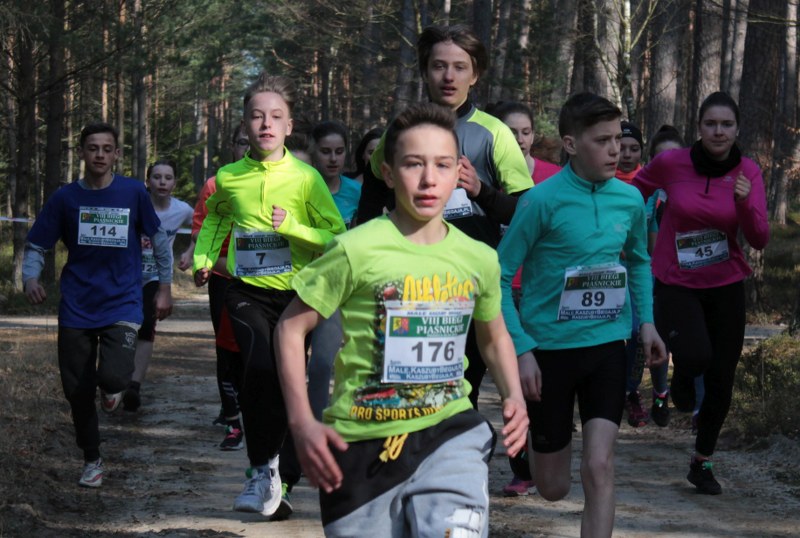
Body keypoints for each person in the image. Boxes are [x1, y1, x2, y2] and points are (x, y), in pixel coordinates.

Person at [274, 102, 528, 537]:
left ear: (458, 173)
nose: (429, 179)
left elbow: (493, 336)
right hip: (361, 445)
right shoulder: (355, 248)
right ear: (389, 175)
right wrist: (301, 421)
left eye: (442, 165)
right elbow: (290, 327)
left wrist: (514, 396)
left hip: (450, 434)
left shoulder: (479, 257)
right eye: (414, 164)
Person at [498, 93, 667, 538]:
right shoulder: (540, 202)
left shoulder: (628, 200)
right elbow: (498, 277)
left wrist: (646, 322)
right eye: (602, 141)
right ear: (571, 144)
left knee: (599, 465)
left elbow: (639, 261)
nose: (616, 150)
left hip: (608, 346)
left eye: (618, 140)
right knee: (553, 488)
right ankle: (537, 445)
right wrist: (522, 349)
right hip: (548, 353)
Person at [193, 72, 346, 518]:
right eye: (257, 116)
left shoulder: (306, 178)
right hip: (245, 291)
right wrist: (204, 258)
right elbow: (216, 219)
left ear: (289, 126)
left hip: (297, 298)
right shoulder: (229, 177)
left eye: (276, 116)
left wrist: (292, 227)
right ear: (244, 124)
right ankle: (262, 472)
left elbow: (335, 235)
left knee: (286, 379)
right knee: (259, 367)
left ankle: (279, 471)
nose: (266, 124)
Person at [357, 24, 532, 411]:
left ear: (475, 74)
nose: (448, 76)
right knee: (413, 383)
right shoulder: (401, 130)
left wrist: (481, 191)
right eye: (439, 66)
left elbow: (526, 211)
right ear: (425, 71)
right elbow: (372, 193)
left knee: (462, 389)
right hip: (409, 276)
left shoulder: (493, 133)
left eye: (459, 67)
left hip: (469, 276)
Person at [22, 122, 173, 488]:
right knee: (77, 390)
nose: (100, 155)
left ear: (117, 154)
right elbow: (38, 244)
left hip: (123, 301)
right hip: (77, 305)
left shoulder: (133, 192)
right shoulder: (65, 198)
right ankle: (92, 460)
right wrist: (30, 278)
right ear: (82, 153)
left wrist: (165, 288)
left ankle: (112, 389)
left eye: (107, 149)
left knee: (114, 378)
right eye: (93, 148)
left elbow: (158, 239)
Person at [633, 92, 769, 495]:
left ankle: (702, 461)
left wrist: (743, 203)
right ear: (699, 127)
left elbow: (759, 238)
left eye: (726, 124)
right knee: (695, 355)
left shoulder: (748, 171)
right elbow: (633, 192)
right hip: (676, 280)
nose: (718, 132)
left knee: (722, 378)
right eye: (711, 124)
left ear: (737, 129)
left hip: (725, 283)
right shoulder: (672, 163)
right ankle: (683, 376)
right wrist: (620, 229)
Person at [277, 120, 362, 503]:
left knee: (322, 366)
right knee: (287, 367)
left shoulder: (358, 192)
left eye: (339, 151)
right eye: (325, 151)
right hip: (293, 287)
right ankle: (285, 452)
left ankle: (311, 444)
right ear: (313, 152)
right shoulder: (301, 187)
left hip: (337, 292)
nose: (332, 158)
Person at [488, 100, 562, 497]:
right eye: (509, 132)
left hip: (540, 290)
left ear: (534, 135)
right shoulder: (482, 176)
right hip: (497, 289)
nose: (518, 139)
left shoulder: (553, 177)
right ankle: (521, 467)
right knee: (508, 383)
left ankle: (543, 456)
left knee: (537, 382)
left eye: (525, 131)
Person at [181, 127, 249, 451]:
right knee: (226, 348)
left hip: (267, 278)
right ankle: (232, 418)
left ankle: (250, 408)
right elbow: (199, 231)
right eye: (242, 142)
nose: (248, 147)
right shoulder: (215, 184)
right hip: (224, 275)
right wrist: (201, 262)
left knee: (258, 350)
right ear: (232, 146)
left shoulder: (280, 182)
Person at [123, 160, 193, 412]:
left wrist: (190, 252)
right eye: (157, 177)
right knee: (121, 327)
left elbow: (204, 226)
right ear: (147, 181)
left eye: (168, 178)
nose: (162, 182)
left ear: (174, 183)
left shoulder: (182, 210)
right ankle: (115, 378)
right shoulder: (134, 204)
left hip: (156, 277)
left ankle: (134, 386)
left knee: (146, 324)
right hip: (127, 275)